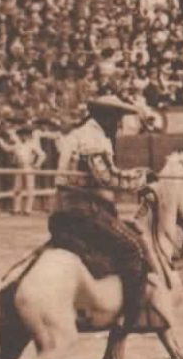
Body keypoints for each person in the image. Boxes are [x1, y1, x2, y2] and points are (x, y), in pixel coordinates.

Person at [51, 95, 158, 331]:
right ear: (106, 118)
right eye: (117, 119)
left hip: (64, 209)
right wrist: (141, 177)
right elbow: (106, 177)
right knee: (132, 248)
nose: (119, 125)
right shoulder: (94, 138)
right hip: (83, 210)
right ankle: (131, 316)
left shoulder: (78, 134)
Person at [0, 125, 47, 216]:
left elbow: (42, 155)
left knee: (30, 188)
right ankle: (16, 209)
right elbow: (6, 148)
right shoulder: (17, 145)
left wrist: (37, 165)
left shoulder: (32, 145)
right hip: (19, 167)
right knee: (17, 188)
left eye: (26, 135)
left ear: (29, 136)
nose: (23, 137)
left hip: (28, 167)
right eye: (22, 135)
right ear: (19, 136)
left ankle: (28, 210)